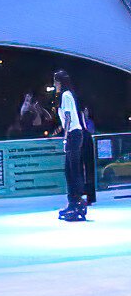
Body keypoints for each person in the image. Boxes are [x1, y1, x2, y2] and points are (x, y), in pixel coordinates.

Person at [55, 70, 89, 221]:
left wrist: (65, 138)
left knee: (72, 170)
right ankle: (73, 201)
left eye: (55, 81)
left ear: (60, 82)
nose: (54, 84)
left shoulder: (65, 95)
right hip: (74, 135)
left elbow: (68, 118)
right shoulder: (68, 95)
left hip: (73, 135)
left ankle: (76, 201)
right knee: (69, 170)